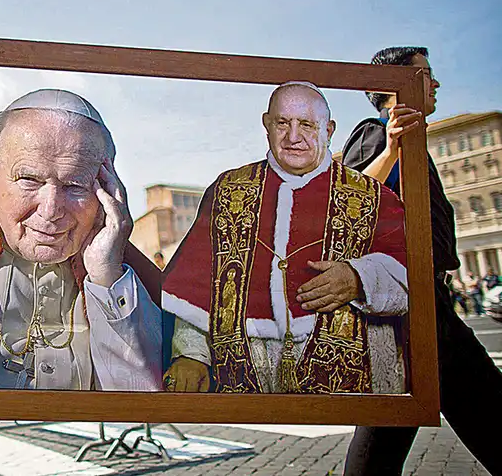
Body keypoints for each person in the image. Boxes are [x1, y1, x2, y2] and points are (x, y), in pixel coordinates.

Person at [0, 89, 163, 392]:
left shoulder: (113, 257)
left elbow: (140, 400)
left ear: (107, 188)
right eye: (29, 180)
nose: (51, 210)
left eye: (75, 184)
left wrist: (107, 277)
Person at [162, 81, 409, 394]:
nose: (293, 137)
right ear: (267, 125)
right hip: (245, 372)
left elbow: (411, 273)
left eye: (306, 124)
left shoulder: (373, 196)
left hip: (350, 376)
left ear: (329, 129)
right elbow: (196, 285)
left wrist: (360, 278)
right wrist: (190, 354)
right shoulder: (227, 190)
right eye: (282, 123)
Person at [341, 46, 502, 476]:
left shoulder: (412, 138)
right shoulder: (375, 134)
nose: (436, 83)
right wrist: (392, 148)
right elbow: (346, 204)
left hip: (424, 305)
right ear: (391, 87)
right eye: (425, 74)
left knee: (392, 427)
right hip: (405, 308)